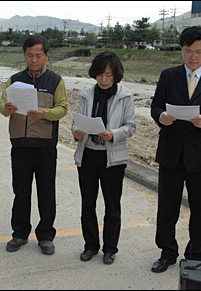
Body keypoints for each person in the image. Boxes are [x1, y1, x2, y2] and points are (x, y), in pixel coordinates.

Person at [149, 26, 201, 273]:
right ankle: (167, 252)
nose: (192, 57)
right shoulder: (168, 75)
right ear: (181, 51)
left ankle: (195, 254)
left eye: (197, 52)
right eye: (187, 51)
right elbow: (155, 106)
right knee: (167, 206)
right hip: (171, 152)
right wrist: (161, 116)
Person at [0, 35, 68, 255]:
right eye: (29, 55)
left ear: (47, 56)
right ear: (24, 55)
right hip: (20, 144)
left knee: (46, 192)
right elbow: (1, 104)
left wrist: (45, 113)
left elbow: (63, 108)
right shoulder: (14, 80)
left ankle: (46, 235)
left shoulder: (55, 81)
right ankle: (19, 233)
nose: (34, 60)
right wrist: (6, 108)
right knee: (20, 190)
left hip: (45, 146)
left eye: (39, 55)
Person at [72, 51, 136, 264]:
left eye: (108, 74)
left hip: (113, 158)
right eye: (100, 74)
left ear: (116, 74)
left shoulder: (125, 96)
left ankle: (110, 248)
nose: (104, 79)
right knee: (87, 204)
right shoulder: (86, 95)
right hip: (88, 155)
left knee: (112, 204)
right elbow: (77, 122)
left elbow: (130, 126)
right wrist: (77, 132)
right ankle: (90, 246)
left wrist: (113, 134)